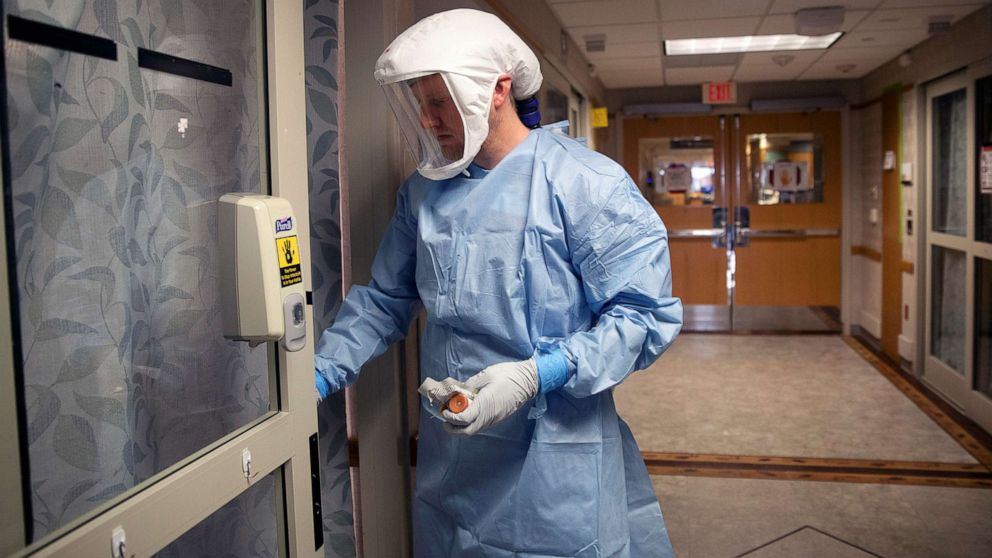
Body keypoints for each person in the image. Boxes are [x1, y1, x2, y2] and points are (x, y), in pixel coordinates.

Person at [314, 8, 683, 557]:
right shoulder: (423, 194)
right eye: (420, 104)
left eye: (438, 102)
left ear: (496, 90)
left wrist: (540, 374)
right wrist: (319, 373)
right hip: (454, 462)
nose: (428, 119)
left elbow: (643, 317)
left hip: (555, 461)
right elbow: (387, 299)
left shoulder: (584, 185)